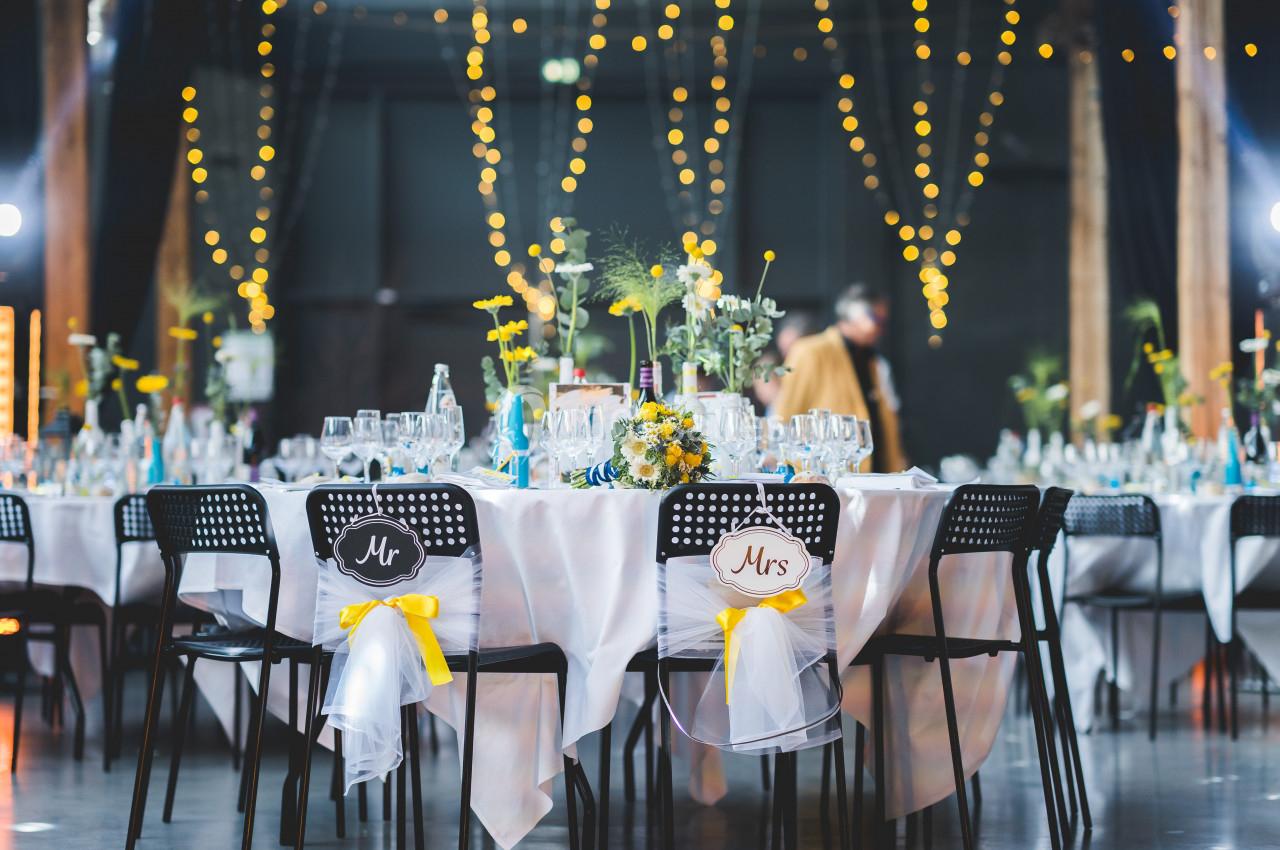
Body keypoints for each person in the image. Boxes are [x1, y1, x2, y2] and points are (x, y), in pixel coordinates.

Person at [774, 284, 906, 472]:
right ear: (853, 314)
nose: (881, 329)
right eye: (876, 319)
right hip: (828, 481)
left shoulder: (873, 361)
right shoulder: (810, 351)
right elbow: (786, 417)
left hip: (877, 478)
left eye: (884, 321)